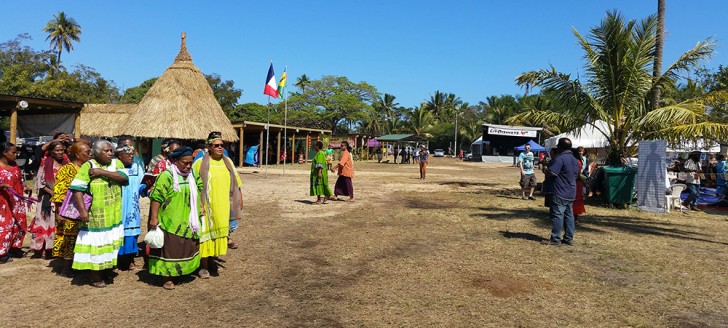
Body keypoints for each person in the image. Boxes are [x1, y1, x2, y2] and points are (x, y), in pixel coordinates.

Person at [69, 139, 128, 287]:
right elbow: (77, 189)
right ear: (96, 153)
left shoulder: (116, 164)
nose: (110, 153)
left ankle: (106, 269)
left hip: (113, 213)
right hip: (96, 216)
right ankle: (95, 275)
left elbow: (124, 178)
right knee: (96, 245)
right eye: (106, 151)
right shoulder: (88, 166)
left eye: (110, 151)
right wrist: (83, 211)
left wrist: (101, 172)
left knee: (109, 243)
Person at [148, 147, 202, 290]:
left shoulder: (193, 174)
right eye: (185, 163)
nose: (188, 166)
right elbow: (156, 197)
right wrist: (154, 218)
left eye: (191, 163)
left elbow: (200, 189)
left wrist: (201, 207)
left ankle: (182, 272)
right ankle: (167, 277)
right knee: (170, 249)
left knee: (186, 247)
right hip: (171, 221)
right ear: (176, 161)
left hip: (189, 220)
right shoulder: (167, 176)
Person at [192, 133, 243, 278]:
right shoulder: (200, 163)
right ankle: (203, 266)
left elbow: (237, 183)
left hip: (223, 205)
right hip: (206, 206)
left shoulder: (228, 163)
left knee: (220, 234)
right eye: (216, 145)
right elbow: (193, 184)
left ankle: (212, 262)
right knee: (205, 236)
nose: (220, 148)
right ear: (209, 147)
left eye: (222, 145)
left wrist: (240, 199)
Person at [51, 141, 91, 276]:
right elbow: (59, 191)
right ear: (77, 155)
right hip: (69, 211)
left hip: (83, 209)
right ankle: (66, 269)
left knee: (80, 237)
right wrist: (60, 213)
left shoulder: (86, 168)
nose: (89, 155)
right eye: (87, 152)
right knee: (69, 238)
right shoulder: (67, 169)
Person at [30, 141, 68, 258]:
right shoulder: (45, 163)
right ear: (51, 152)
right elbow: (40, 183)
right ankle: (41, 249)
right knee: (45, 222)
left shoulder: (67, 164)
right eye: (57, 150)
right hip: (47, 198)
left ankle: (54, 249)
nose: (60, 152)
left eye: (62, 150)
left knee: (57, 223)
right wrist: (53, 193)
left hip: (63, 199)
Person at [543, 138, 580, 246]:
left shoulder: (560, 158)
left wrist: (545, 169)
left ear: (560, 147)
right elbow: (577, 174)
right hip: (571, 191)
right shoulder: (574, 159)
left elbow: (552, 173)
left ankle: (555, 239)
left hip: (560, 191)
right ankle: (569, 238)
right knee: (569, 215)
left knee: (558, 215)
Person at [115, 144, 144, 271]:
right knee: (117, 233)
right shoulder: (113, 168)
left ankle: (130, 259)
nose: (131, 156)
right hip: (118, 206)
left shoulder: (137, 167)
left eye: (132, 154)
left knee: (131, 235)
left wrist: (147, 186)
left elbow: (141, 184)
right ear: (119, 156)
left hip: (132, 207)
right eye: (128, 154)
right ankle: (116, 260)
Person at [0, 143, 29, 263]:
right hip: (3, 201)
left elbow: (19, 180)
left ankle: (14, 247)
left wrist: (25, 186)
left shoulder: (14, 165)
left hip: (17, 201)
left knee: (18, 224)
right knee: (5, 226)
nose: (16, 155)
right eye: (13, 152)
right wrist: (1, 185)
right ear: (4, 153)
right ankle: (1, 253)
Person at [572, 149, 587, 223]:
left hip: (575, 182)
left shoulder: (575, 162)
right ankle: (575, 217)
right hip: (578, 182)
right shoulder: (579, 161)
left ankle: (574, 217)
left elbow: (577, 174)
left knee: (575, 200)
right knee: (577, 200)